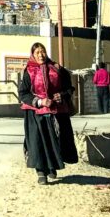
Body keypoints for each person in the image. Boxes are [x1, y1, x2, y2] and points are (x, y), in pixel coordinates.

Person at [17, 42, 78, 184]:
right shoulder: (29, 71)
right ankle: (40, 171)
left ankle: (52, 167)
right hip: (35, 113)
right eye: (37, 52)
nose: (41, 55)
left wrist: (62, 95)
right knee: (37, 142)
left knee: (53, 140)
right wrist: (39, 102)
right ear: (33, 54)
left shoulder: (57, 69)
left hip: (55, 112)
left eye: (42, 51)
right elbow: (23, 93)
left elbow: (69, 88)